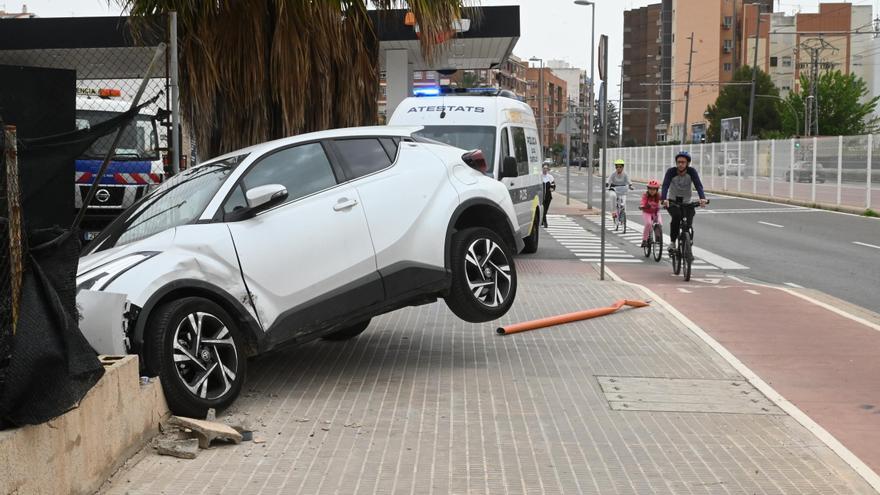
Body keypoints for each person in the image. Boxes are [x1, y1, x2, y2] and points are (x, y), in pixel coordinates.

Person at [661, 150, 707, 255]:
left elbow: (698, 185)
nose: (680, 164)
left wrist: (702, 198)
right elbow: (665, 185)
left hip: (687, 202)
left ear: (687, 163)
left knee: (689, 223)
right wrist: (664, 199)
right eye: (678, 162)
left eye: (683, 162)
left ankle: (688, 243)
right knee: (676, 217)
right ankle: (673, 242)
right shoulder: (671, 172)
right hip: (673, 202)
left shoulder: (692, 172)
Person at [638, 179, 662, 248]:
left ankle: (658, 236)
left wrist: (665, 204)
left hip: (655, 212)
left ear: (657, 190)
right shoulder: (645, 195)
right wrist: (642, 206)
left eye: (654, 189)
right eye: (650, 189)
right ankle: (644, 240)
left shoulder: (658, 195)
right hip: (647, 212)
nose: (652, 191)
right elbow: (643, 202)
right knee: (648, 223)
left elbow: (662, 201)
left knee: (659, 223)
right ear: (648, 189)